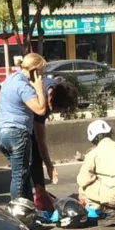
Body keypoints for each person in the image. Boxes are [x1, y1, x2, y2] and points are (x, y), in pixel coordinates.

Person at [0, 53, 47, 200]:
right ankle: (18, 212)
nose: (41, 76)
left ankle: (29, 208)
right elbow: (40, 109)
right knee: (19, 176)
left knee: (23, 173)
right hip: (16, 134)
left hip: (0, 134)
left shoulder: (11, 78)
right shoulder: (23, 87)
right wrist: (39, 88)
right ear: (34, 71)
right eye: (41, 73)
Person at [31, 80, 79, 212]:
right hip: (14, 127)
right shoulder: (41, 102)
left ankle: (40, 197)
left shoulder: (56, 88)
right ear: (51, 99)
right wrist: (49, 166)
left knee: (35, 158)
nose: (55, 111)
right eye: (57, 109)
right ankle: (34, 203)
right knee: (31, 160)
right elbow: (40, 140)